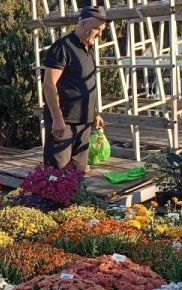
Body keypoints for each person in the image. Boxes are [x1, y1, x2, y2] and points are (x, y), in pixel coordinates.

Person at [42, 6, 109, 172]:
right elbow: (49, 84)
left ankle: (76, 190)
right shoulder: (62, 47)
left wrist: (94, 113)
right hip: (64, 123)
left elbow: (87, 84)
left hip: (84, 123)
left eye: (102, 30)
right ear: (83, 24)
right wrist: (57, 119)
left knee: (79, 171)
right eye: (97, 29)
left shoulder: (88, 48)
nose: (100, 34)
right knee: (57, 172)